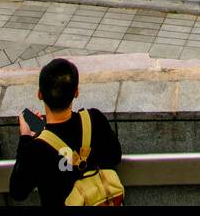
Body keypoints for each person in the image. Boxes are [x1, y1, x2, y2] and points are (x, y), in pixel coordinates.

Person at [10, 57, 123, 206]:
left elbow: (18, 192)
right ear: (76, 92)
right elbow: (115, 156)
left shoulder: (35, 149)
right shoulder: (95, 120)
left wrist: (25, 138)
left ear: (40, 94)